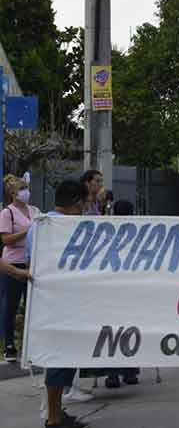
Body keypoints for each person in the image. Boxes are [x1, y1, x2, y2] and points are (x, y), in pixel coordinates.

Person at [27, 180, 89, 428]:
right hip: (60, 304)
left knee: (62, 358)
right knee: (59, 359)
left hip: (50, 302)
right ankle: (53, 418)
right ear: (76, 203)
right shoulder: (58, 227)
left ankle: (57, 413)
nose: (85, 208)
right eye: (84, 203)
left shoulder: (39, 225)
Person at [0, 175, 40, 362]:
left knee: (32, 307)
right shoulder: (7, 213)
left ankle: (31, 345)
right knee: (11, 306)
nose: (26, 192)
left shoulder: (35, 210)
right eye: (21, 188)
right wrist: (28, 230)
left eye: (26, 187)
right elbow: (6, 240)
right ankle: (9, 345)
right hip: (13, 263)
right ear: (12, 193)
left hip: (32, 262)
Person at [103, 199, 140, 388]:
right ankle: (130, 371)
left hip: (110, 289)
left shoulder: (106, 232)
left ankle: (112, 374)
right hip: (129, 289)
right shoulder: (136, 233)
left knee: (111, 330)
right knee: (130, 328)